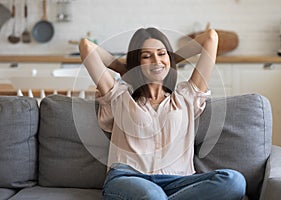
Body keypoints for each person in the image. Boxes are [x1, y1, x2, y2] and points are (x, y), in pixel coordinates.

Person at [79, 27, 246, 200]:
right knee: (153, 195)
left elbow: (210, 38)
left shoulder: (186, 96)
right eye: (146, 56)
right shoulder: (119, 95)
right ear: (137, 62)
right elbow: (87, 47)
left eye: (161, 53)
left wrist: (171, 61)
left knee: (234, 181)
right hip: (128, 178)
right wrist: (125, 68)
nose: (155, 60)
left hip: (178, 182)